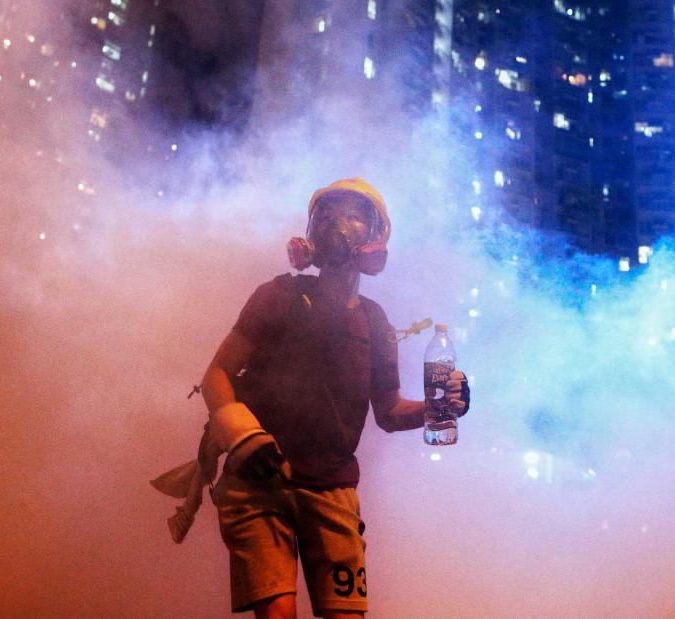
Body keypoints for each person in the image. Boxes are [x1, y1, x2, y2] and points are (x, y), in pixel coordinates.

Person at [161, 178, 470, 619]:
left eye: (352, 214)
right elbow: (217, 375)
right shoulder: (279, 297)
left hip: (332, 489)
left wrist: (440, 409)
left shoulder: (375, 322)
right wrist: (242, 436)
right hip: (259, 483)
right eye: (326, 214)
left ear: (375, 236)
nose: (336, 224)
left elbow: (388, 411)